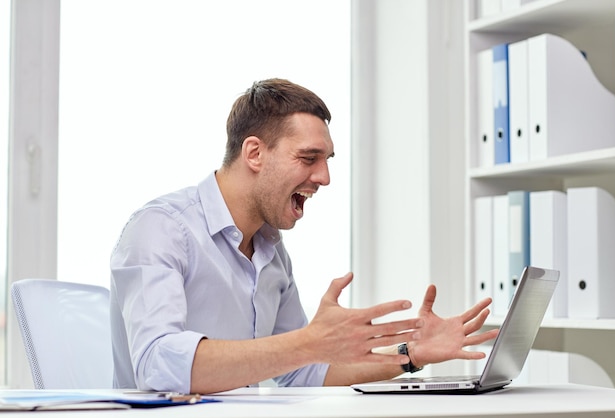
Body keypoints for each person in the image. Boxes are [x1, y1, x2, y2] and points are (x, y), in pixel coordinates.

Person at [109, 78, 498, 395]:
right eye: (308, 158)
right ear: (255, 153)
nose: (324, 178)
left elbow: (305, 372)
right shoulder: (161, 229)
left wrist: (410, 354)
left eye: (326, 161)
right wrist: (308, 342)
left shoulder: (270, 250)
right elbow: (156, 364)